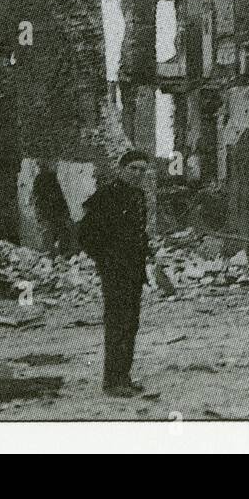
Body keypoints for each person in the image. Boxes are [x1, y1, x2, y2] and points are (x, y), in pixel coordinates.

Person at [79, 149, 150, 396]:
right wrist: (105, 260)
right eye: (133, 169)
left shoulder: (139, 196)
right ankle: (112, 381)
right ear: (121, 169)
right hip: (115, 271)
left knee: (130, 324)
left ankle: (124, 377)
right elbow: (85, 234)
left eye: (143, 170)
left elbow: (138, 233)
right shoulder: (106, 196)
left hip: (133, 271)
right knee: (117, 324)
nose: (138, 174)